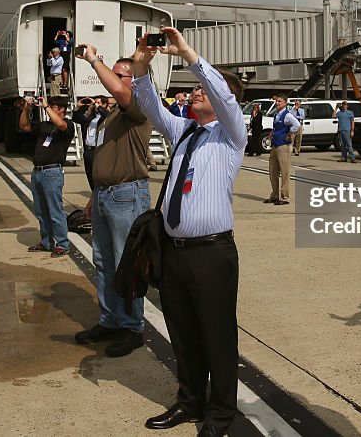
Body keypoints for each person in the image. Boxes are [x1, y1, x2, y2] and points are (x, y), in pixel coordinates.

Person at [131, 27, 245, 437]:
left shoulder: (232, 134)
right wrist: (142, 65)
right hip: (175, 251)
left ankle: (219, 416)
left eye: (203, 89)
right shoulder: (186, 132)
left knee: (217, 336)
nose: (196, 92)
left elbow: (222, 93)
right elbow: (149, 105)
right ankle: (190, 401)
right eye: (194, 89)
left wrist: (188, 54)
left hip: (212, 253)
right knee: (182, 332)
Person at [75, 44, 153, 358]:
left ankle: (132, 327)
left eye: (121, 76)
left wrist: (95, 60)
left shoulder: (138, 107)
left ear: (132, 82)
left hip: (126, 194)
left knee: (127, 264)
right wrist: (95, 194)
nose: (113, 81)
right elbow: (106, 158)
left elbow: (121, 92)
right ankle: (110, 319)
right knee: (105, 263)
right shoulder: (110, 117)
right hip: (106, 194)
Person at [19, 96, 74, 257]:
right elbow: (24, 126)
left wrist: (45, 107)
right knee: (41, 210)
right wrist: (26, 108)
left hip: (52, 172)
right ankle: (46, 241)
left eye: (54, 107)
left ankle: (62, 243)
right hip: (37, 172)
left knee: (55, 210)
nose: (50, 109)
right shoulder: (44, 126)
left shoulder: (68, 125)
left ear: (62, 109)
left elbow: (60, 124)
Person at [265, 95, 300, 205]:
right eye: (276, 101)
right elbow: (276, 128)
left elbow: (297, 124)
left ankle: (285, 197)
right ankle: (274, 195)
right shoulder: (277, 114)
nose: (277, 103)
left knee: (284, 172)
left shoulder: (287, 115)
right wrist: (271, 136)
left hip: (283, 146)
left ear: (285, 103)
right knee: (272, 171)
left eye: (279, 101)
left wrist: (290, 133)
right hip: (275, 145)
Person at [72, 95, 108, 190]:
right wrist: (78, 107)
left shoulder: (106, 116)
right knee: (90, 175)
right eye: (94, 103)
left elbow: (106, 115)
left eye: (98, 103)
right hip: (88, 150)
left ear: (104, 104)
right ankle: (94, 195)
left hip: (99, 150)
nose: (95, 105)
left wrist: (98, 106)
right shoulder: (91, 116)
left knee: (99, 176)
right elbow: (77, 119)